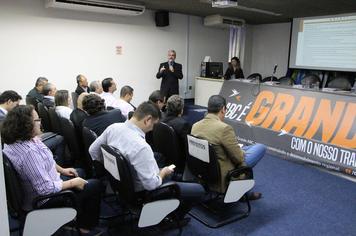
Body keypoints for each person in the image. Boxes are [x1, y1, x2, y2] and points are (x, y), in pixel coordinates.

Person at [89, 101, 205, 222]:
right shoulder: (141, 147)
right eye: (153, 124)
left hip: (119, 185)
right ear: (148, 119)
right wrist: (163, 172)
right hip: (140, 193)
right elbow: (151, 185)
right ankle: (172, 219)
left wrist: (111, 167)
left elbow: (93, 151)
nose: (152, 129)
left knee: (158, 157)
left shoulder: (113, 128)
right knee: (198, 190)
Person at [1, 105, 103, 235]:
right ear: (27, 124)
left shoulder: (16, 141)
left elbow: (45, 157)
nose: (40, 122)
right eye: (37, 120)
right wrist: (73, 183)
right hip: (43, 200)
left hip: (37, 188)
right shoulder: (29, 152)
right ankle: (85, 227)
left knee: (80, 173)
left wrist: (62, 170)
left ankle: (73, 216)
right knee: (95, 185)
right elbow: (45, 189)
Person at [191, 95, 265, 198]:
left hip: (203, 171)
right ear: (223, 109)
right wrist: (240, 152)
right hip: (223, 174)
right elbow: (238, 158)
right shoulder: (224, 129)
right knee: (260, 147)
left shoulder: (195, 126)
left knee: (245, 149)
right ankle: (243, 193)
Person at [161, 95, 191, 171]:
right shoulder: (183, 125)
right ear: (181, 109)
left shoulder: (160, 120)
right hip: (179, 165)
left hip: (164, 160)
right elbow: (188, 148)